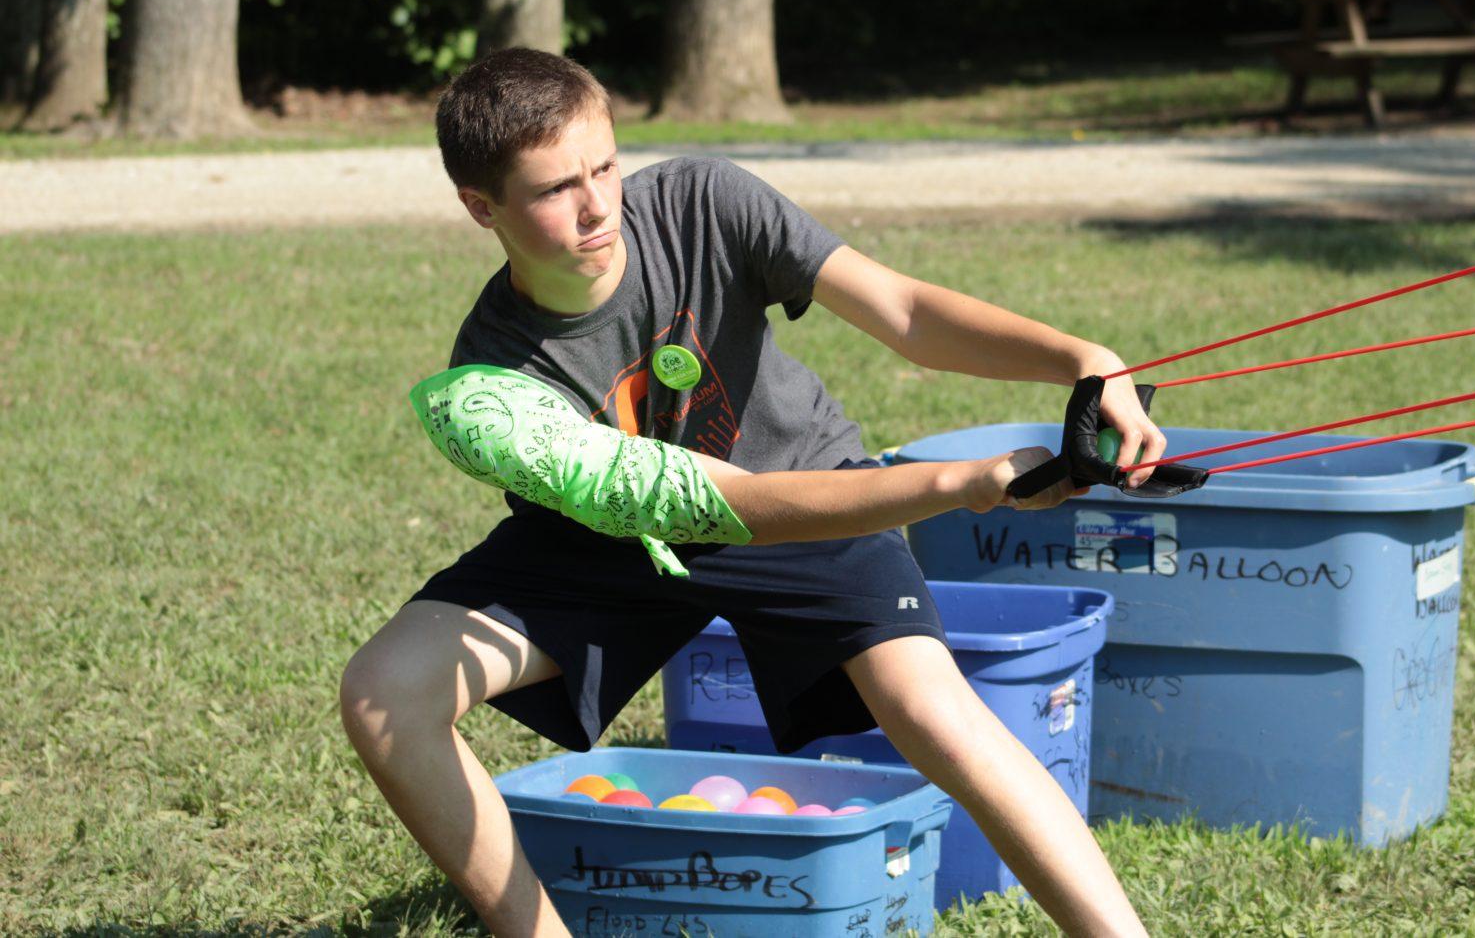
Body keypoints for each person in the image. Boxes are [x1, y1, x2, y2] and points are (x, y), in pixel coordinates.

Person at [339, 47, 1166, 937]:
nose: (597, 207)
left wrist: (1085, 360)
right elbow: (708, 504)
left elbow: (905, 312)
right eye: (554, 190)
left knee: (934, 710)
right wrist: (961, 484)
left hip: (798, 481)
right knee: (385, 691)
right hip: (612, 536)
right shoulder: (491, 382)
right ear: (481, 206)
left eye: (605, 167)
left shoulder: (702, 201)